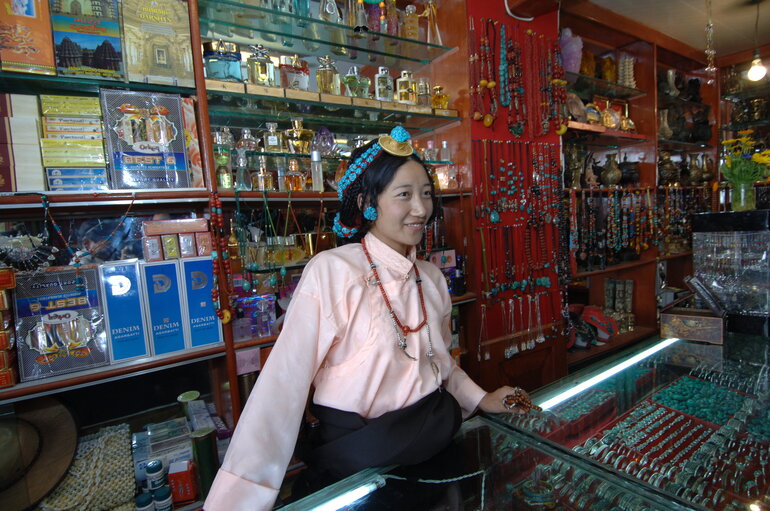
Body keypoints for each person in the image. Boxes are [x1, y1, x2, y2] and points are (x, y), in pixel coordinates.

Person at [204, 126, 536, 511]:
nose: (421, 209)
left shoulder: (431, 277)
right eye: (404, 195)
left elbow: (440, 366)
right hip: (358, 464)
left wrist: (481, 399)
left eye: (426, 194)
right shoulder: (332, 272)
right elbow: (281, 389)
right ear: (367, 203)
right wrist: (239, 501)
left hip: (438, 453)